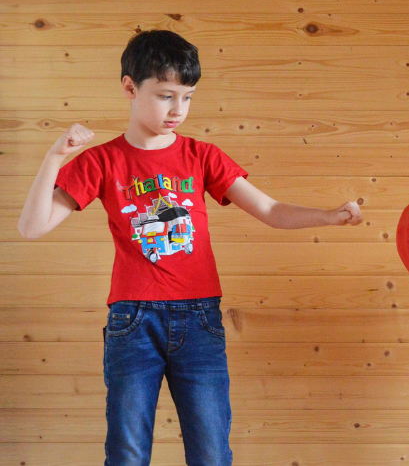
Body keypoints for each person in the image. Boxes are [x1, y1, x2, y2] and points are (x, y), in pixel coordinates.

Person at [18, 29, 363, 466]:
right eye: (165, 96)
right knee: (126, 455)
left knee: (212, 453)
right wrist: (54, 157)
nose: (177, 110)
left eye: (187, 97)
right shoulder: (101, 161)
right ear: (129, 87)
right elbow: (31, 227)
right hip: (132, 322)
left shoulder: (202, 156)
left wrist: (329, 216)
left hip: (200, 320)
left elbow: (271, 209)